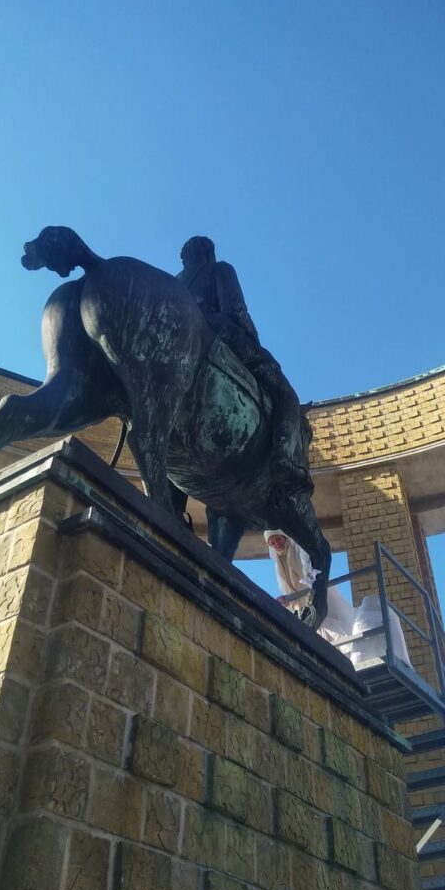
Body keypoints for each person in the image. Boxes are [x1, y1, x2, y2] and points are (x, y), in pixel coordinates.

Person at [178, 237, 312, 494]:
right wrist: (253, 342)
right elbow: (236, 310)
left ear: (185, 258)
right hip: (218, 329)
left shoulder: (175, 280)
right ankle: (283, 458)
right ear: (208, 253)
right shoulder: (221, 270)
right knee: (287, 396)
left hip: (181, 333)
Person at [264, 530, 355, 649]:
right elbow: (287, 588)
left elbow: (308, 568)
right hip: (301, 603)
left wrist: (310, 587)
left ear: (284, 537)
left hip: (316, 591)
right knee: (317, 631)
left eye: (278, 539)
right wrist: (287, 600)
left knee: (328, 620)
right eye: (272, 543)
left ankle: (352, 644)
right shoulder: (278, 563)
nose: (277, 544)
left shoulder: (298, 548)